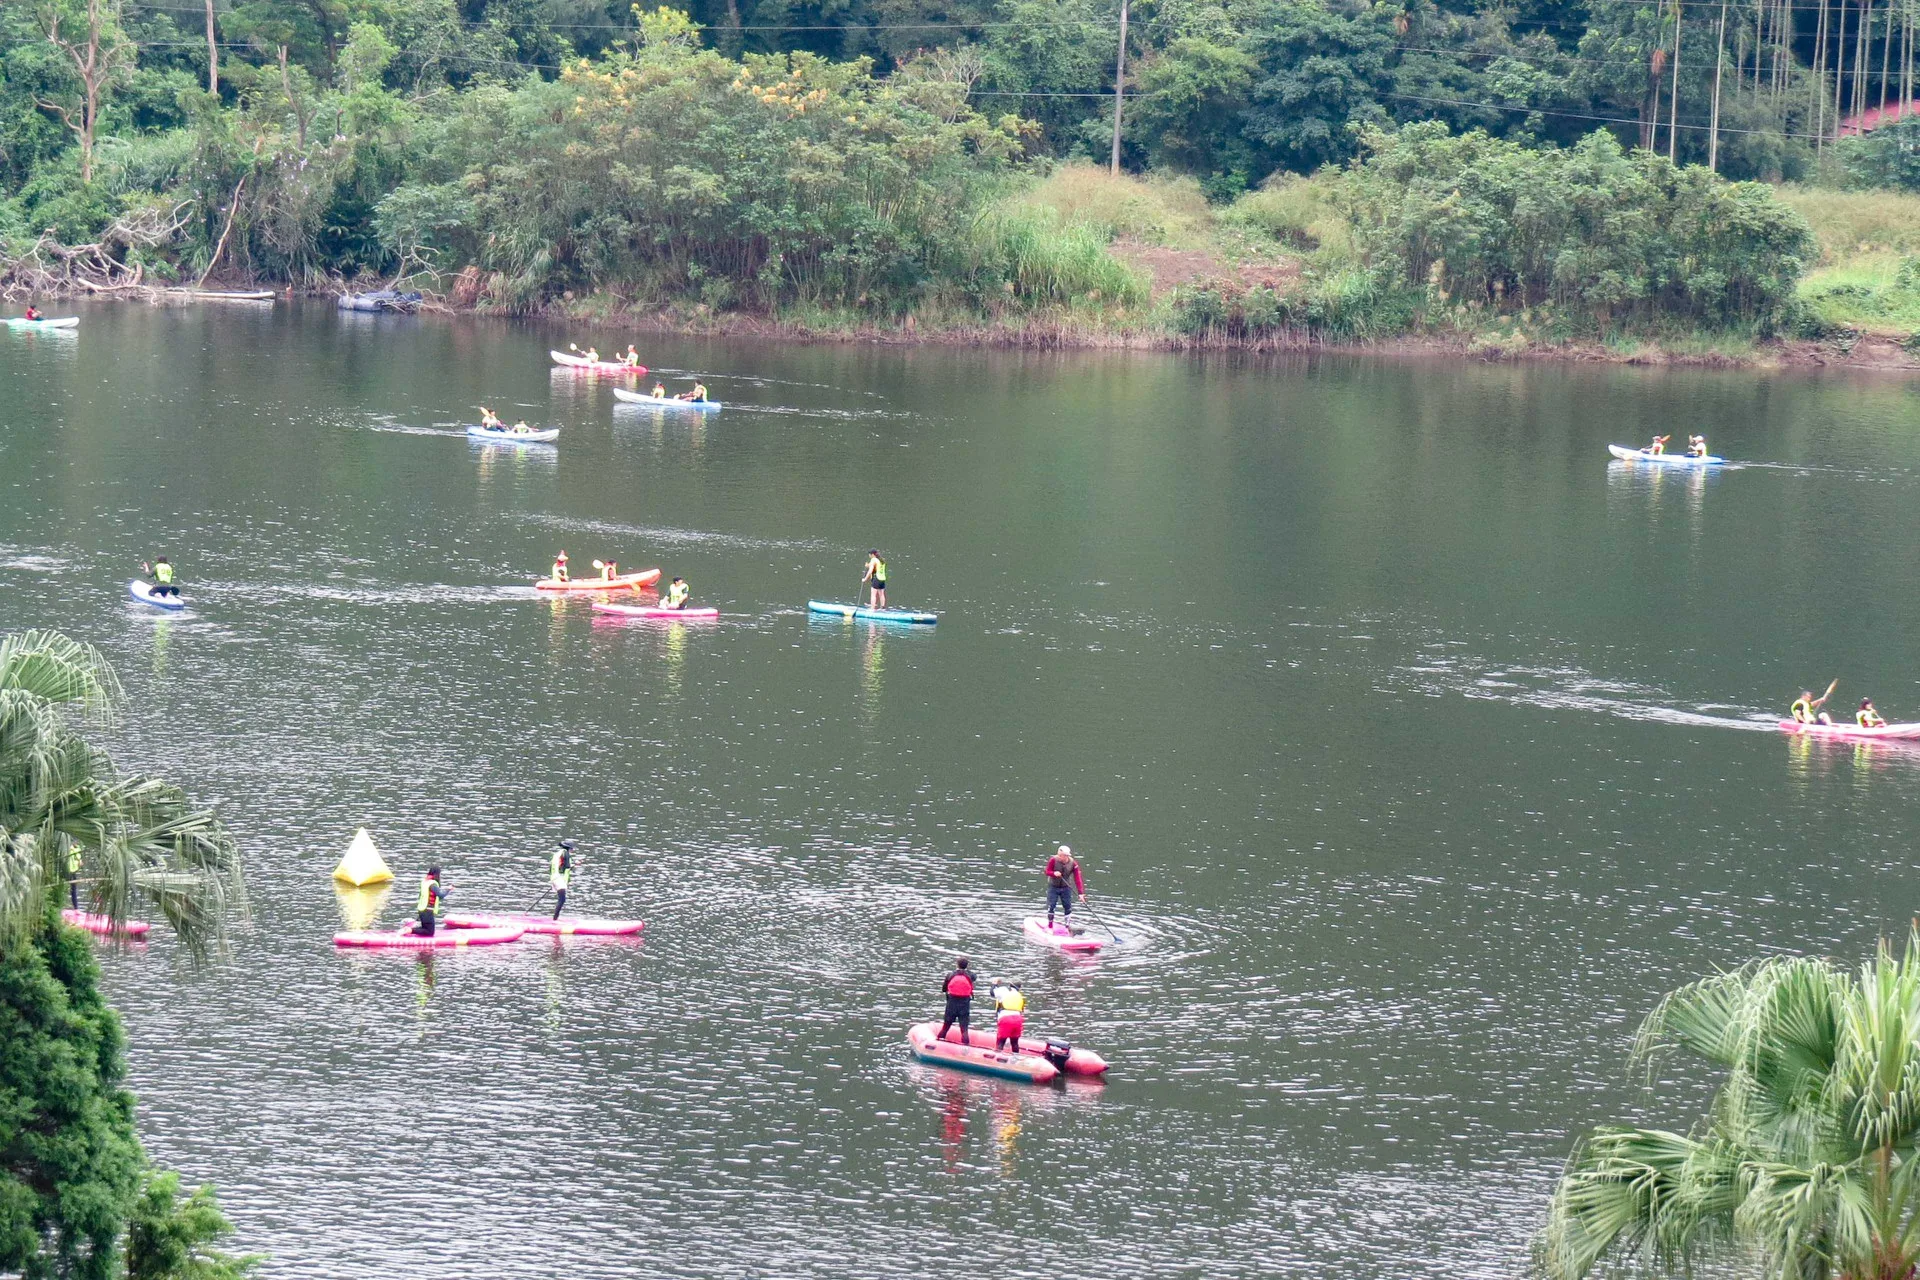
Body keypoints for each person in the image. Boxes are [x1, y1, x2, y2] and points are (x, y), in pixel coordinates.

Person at [1043, 844, 1084, 929]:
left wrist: (1080, 893)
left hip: (1066, 887)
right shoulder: (1053, 860)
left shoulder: (1073, 863)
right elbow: (1047, 871)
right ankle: (1050, 926)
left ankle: (1067, 926)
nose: (1061, 858)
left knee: (1067, 906)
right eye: (1060, 856)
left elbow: (1077, 878)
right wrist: (1053, 873)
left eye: (1063, 856)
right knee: (1052, 906)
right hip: (1053, 887)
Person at [938, 957, 975, 1043]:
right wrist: (966, 971)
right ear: (967, 966)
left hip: (952, 1004)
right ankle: (966, 1048)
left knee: (945, 1027)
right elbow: (974, 977)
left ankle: (939, 1042)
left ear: (956, 965)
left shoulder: (950, 975)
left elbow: (944, 989)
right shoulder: (970, 975)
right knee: (964, 1030)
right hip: (964, 1004)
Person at [990, 979, 1026, 1052]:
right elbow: (1022, 1010)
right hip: (1018, 1020)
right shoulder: (1019, 996)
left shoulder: (1003, 990)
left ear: (1010, 985)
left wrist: (994, 984)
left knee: (1001, 1042)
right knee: (1015, 1043)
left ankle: (998, 1059)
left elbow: (992, 993)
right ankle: (1016, 1059)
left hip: (1006, 1019)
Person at [415, 866, 447, 937]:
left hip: (422, 910)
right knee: (430, 932)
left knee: (425, 929)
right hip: (427, 911)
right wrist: (448, 890)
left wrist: (419, 915)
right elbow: (441, 895)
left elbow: (422, 897)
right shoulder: (432, 884)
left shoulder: (424, 882)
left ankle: (410, 929)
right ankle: (410, 930)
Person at [550, 840, 575, 919]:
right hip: (559, 879)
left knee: (561, 899)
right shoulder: (565, 853)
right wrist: (574, 864)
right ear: (569, 848)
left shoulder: (557, 854)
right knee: (562, 899)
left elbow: (559, 866)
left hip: (554, 878)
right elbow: (567, 866)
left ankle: (555, 917)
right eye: (572, 849)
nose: (572, 850)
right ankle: (555, 919)